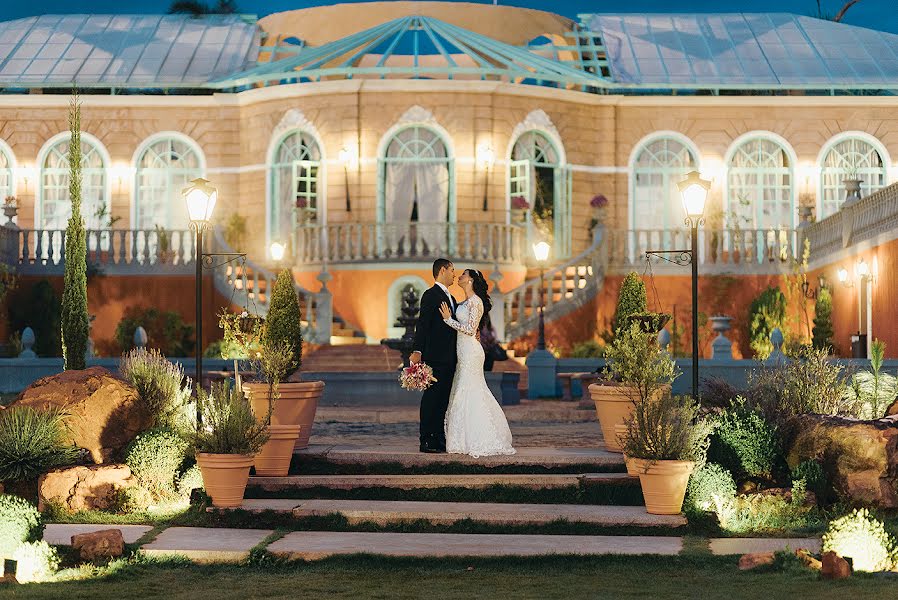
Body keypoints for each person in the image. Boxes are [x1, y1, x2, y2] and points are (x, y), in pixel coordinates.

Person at [438, 269, 516, 457]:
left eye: (464, 275)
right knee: (462, 390)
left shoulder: (476, 302)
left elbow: (471, 329)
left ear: (471, 280)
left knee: (471, 390)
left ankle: (480, 437)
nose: (460, 277)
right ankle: (461, 438)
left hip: (471, 353)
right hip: (463, 352)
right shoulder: (464, 302)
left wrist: (448, 320)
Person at [410, 258, 457, 453]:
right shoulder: (430, 295)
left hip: (449, 358)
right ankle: (426, 439)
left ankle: (438, 438)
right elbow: (423, 324)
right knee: (431, 399)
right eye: (452, 270)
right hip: (436, 358)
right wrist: (417, 350)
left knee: (443, 401)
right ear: (443, 270)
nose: (455, 274)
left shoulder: (452, 298)